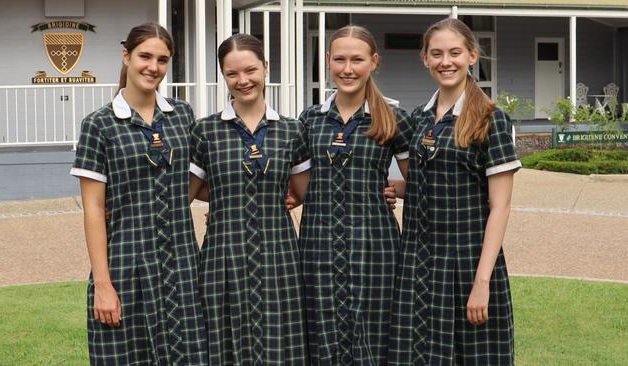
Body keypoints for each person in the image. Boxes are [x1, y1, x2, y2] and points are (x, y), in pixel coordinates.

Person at [71, 23, 208, 365]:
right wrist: (103, 284)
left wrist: (266, 191)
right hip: (124, 266)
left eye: (162, 60)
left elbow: (193, 182)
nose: (153, 67)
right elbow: (93, 208)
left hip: (181, 266)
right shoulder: (99, 124)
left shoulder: (182, 116)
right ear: (126, 56)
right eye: (145, 56)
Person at [388, 17, 521, 365]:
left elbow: (501, 207)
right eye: (437, 54)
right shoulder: (419, 117)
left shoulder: (491, 118)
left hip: (467, 263)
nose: (446, 61)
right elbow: (425, 183)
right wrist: (391, 189)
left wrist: (482, 282)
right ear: (425, 59)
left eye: (455, 52)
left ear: (472, 55)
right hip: (418, 263)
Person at [188, 33, 311, 365]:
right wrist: (232, 196)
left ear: (266, 68)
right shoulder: (205, 131)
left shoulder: (291, 130)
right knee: (224, 345)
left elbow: (306, 192)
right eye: (232, 73)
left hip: (279, 256)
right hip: (222, 256)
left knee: (280, 347)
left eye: (250, 70)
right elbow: (186, 190)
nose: (242, 81)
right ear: (223, 76)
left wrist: (384, 192)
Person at [297, 25, 415, 365]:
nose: (348, 69)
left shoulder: (393, 117)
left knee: (375, 338)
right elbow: (294, 185)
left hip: (375, 247)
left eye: (357, 60)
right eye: (340, 60)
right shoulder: (309, 120)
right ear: (329, 61)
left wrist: (395, 189)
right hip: (317, 247)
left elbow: (420, 184)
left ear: (373, 62)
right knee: (322, 336)